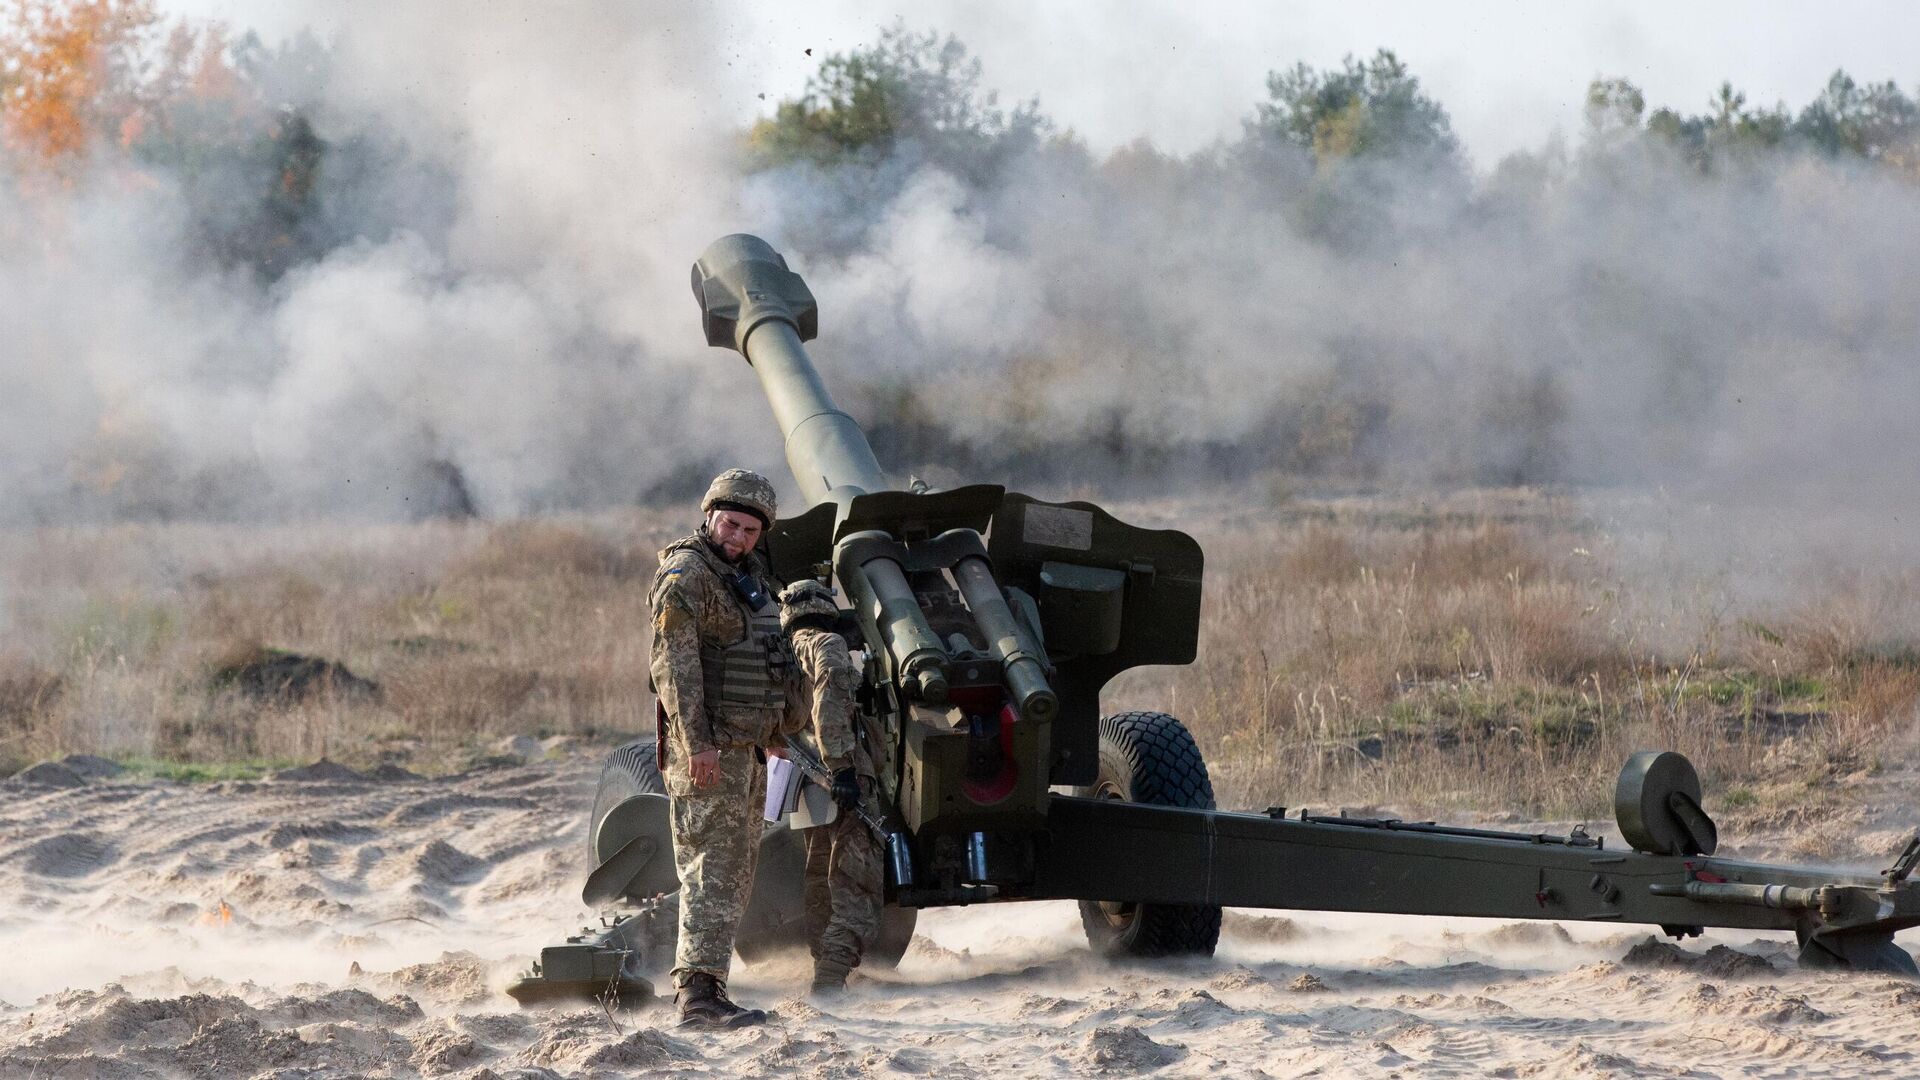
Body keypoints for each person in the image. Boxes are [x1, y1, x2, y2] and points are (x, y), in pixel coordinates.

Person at [649, 467, 788, 1028]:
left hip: (745, 750)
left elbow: (763, 658)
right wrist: (697, 747)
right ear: (709, 517)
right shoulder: (687, 576)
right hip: (708, 754)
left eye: (750, 530)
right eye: (730, 525)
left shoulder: (747, 575)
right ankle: (697, 1001)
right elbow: (675, 670)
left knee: (731, 872)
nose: (737, 537)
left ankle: (706, 985)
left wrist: (773, 732)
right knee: (710, 870)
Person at [777, 578, 885, 995]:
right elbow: (830, 703)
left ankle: (824, 972)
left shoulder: (784, 653)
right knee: (857, 887)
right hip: (842, 780)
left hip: (807, 785)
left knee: (821, 880)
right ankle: (829, 982)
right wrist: (842, 768)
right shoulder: (827, 645)